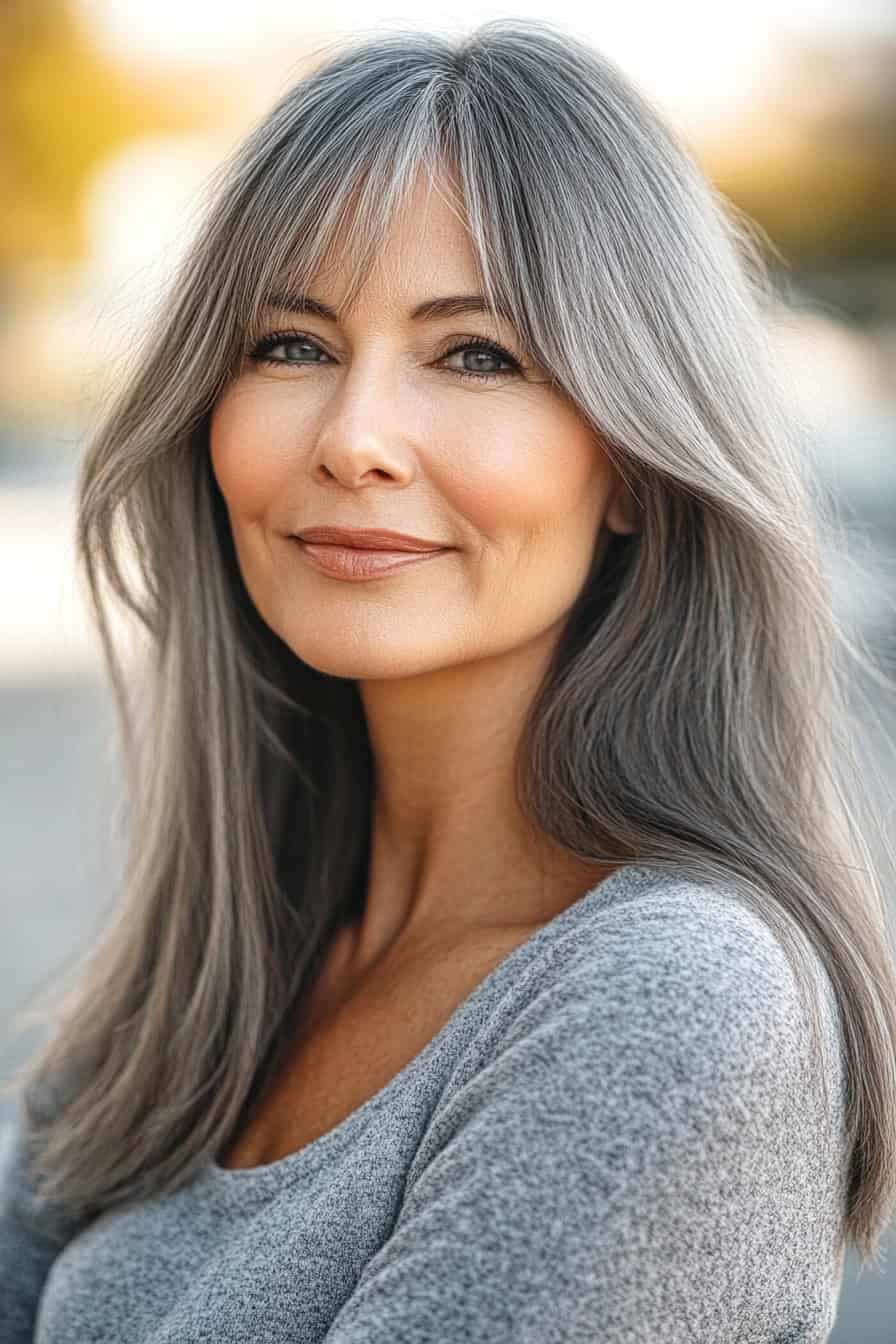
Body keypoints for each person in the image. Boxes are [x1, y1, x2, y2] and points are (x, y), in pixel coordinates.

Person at [2, 17, 896, 1343]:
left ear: (641, 464)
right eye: (290, 345)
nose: (355, 437)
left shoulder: (669, 1004)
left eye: (476, 354)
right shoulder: (211, 979)